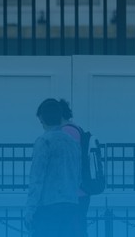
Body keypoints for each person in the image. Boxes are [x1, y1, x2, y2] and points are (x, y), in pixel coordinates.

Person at [26, 98, 81, 237]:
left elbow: (36, 178)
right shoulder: (72, 142)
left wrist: (30, 209)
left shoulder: (44, 141)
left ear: (42, 119)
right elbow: (78, 175)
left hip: (48, 206)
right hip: (71, 204)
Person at [57, 99, 90, 237]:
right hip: (82, 189)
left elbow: (65, 161)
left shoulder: (66, 131)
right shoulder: (77, 128)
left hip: (73, 192)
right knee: (79, 227)